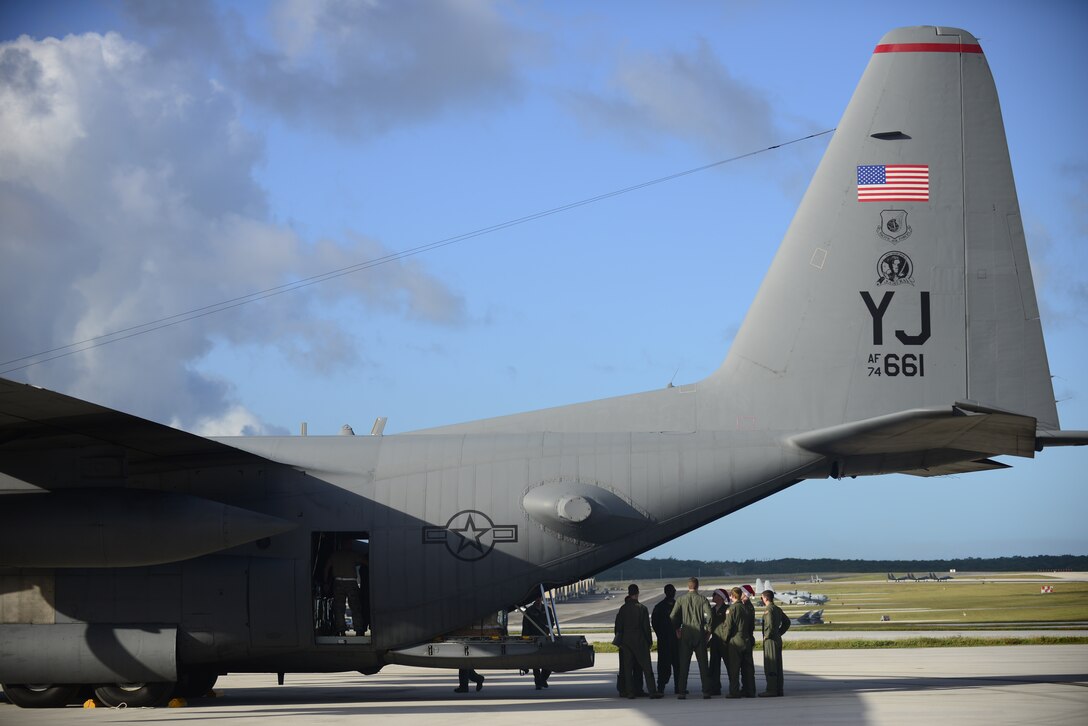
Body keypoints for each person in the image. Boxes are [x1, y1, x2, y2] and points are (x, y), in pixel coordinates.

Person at [613, 584, 662, 699]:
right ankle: (652, 691)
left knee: (627, 668)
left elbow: (618, 627)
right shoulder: (642, 608)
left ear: (629, 594)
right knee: (646, 667)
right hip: (640, 640)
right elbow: (646, 627)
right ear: (637, 593)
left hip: (626, 641)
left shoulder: (623, 609)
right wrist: (649, 642)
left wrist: (620, 641)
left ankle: (630, 692)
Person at [669, 576, 713, 699]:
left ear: (688, 586)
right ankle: (706, 691)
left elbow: (672, 616)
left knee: (684, 664)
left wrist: (677, 629)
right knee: (703, 664)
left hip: (686, 633)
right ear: (697, 586)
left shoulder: (681, 599)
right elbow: (710, 616)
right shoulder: (702, 599)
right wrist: (708, 631)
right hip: (699, 632)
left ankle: (682, 691)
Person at [323, 537, 366, 636]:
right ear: (348, 544)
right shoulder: (353, 554)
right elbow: (366, 562)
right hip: (351, 583)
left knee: (339, 608)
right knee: (355, 607)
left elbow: (326, 568)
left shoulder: (335, 555)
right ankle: (359, 630)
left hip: (338, 582)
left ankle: (341, 630)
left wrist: (325, 582)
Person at [723, 587, 754, 698]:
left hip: (735, 640)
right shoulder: (747, 608)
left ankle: (734, 691)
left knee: (734, 668)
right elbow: (751, 626)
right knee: (748, 668)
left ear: (732, 596)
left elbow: (729, 626)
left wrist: (725, 639)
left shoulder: (732, 609)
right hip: (746, 639)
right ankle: (750, 690)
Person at [760, 589, 790, 697]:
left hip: (770, 641)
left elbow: (771, 624)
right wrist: (779, 633)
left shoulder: (769, 610)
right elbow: (787, 622)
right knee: (778, 664)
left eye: (762, 598)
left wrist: (768, 635)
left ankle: (771, 689)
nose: (762, 600)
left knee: (771, 664)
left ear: (766, 598)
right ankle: (779, 689)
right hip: (777, 639)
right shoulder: (777, 609)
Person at [650, 583, 679, 694]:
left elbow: (654, 623)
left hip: (669, 640)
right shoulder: (671, 606)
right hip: (669, 640)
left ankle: (670, 687)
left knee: (672, 665)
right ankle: (665, 687)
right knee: (668, 665)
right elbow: (654, 623)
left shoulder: (661, 606)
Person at [522, 593, 552, 689]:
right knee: (536, 663)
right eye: (537, 598)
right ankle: (538, 682)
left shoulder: (547, 609)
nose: (538, 600)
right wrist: (526, 639)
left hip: (545, 637)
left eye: (540, 598)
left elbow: (551, 622)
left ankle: (543, 679)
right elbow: (525, 626)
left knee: (548, 662)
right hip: (534, 639)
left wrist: (548, 629)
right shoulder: (529, 611)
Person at [707, 588, 729, 695]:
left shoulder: (727, 609)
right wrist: (707, 638)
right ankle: (715, 687)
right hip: (714, 642)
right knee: (714, 666)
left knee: (730, 665)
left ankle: (734, 686)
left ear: (720, 597)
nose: (713, 596)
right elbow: (710, 626)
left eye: (714, 595)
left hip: (725, 642)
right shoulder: (712, 610)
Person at [740, 586, 757, 697]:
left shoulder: (746, 607)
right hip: (747, 637)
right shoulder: (747, 605)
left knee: (747, 667)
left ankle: (749, 689)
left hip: (745, 638)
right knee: (745, 666)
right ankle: (747, 688)